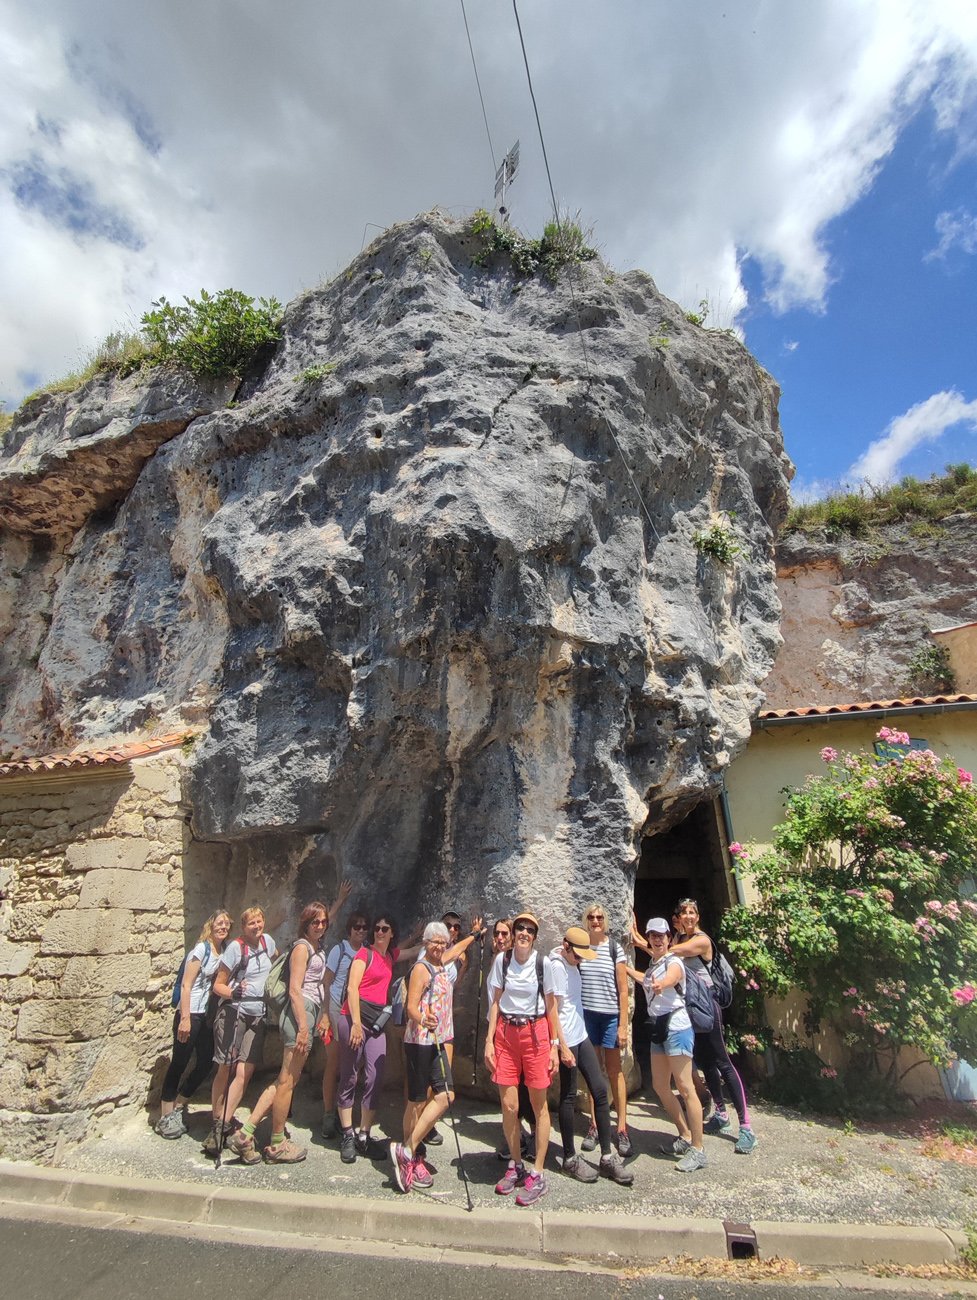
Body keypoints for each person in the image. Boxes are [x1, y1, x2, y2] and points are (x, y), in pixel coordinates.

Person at [227, 902, 332, 1164]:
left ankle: (246, 1133)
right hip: (300, 1014)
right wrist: (304, 1028)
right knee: (287, 1082)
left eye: (323, 922)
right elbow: (295, 990)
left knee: (285, 1080)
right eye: (314, 922)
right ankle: (276, 1143)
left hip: (307, 1012)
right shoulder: (301, 948)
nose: (319, 926)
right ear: (305, 924)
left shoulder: (316, 947)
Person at [670, 897, 756, 1154]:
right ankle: (721, 1112)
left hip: (709, 1005)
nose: (688, 916)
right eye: (683, 912)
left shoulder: (701, 940)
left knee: (722, 1061)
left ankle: (747, 1128)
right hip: (693, 1006)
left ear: (697, 917)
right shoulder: (681, 939)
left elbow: (669, 953)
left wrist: (644, 941)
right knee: (705, 1061)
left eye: (691, 912)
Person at [485, 910, 560, 1207]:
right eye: (520, 928)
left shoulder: (544, 964)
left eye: (530, 930)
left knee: (539, 1105)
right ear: (513, 932)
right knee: (509, 1104)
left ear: (535, 936)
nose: (524, 933)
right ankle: (515, 1164)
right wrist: (488, 1041)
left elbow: (551, 1006)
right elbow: (495, 1002)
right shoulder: (502, 961)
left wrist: (555, 1045)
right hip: (506, 1033)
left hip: (536, 1033)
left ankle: (538, 1172)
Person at [550, 927, 634, 1185]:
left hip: (581, 1034)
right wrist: (560, 1045)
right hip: (566, 1039)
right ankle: (569, 1159)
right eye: (578, 954)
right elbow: (551, 1009)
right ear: (566, 946)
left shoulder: (572, 962)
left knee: (599, 1090)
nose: (582, 959)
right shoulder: (557, 967)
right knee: (568, 1095)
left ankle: (607, 1158)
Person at [628, 917, 706, 1172]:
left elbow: (671, 977)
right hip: (658, 1027)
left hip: (677, 1027)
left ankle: (698, 1149)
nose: (657, 939)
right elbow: (648, 978)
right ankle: (684, 1135)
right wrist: (626, 970)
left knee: (685, 1087)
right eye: (653, 935)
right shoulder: (653, 964)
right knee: (661, 1086)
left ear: (669, 938)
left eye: (661, 935)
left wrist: (662, 983)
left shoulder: (674, 962)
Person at [205, 907, 278, 1157]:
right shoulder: (236, 948)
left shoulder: (268, 942)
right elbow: (218, 985)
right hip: (234, 1011)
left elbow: (276, 966)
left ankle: (223, 1124)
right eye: (251, 924)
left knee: (244, 1070)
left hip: (258, 1012)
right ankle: (217, 1124)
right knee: (225, 1067)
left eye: (259, 922)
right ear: (243, 928)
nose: (256, 927)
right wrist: (233, 992)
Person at [391, 922, 456, 1191]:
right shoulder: (421, 968)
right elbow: (411, 1008)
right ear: (426, 944)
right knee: (416, 1102)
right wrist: (423, 1018)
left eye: (443, 942)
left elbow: (457, 947)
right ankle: (413, 1157)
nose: (439, 946)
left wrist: (475, 936)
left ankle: (406, 1150)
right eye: (435, 942)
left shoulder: (442, 966)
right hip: (420, 1041)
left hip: (439, 1041)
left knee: (446, 1095)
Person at [157, 909, 232, 1138]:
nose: (223, 927)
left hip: (205, 1015)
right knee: (179, 1063)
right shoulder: (201, 949)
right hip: (190, 1014)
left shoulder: (225, 950)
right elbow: (186, 985)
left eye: (227, 924)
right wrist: (185, 1018)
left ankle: (180, 1104)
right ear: (211, 925)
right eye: (220, 923)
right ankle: (165, 1116)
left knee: (206, 1063)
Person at [336, 914, 402, 1163]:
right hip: (353, 1018)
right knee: (350, 1075)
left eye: (385, 929)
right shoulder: (365, 954)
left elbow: (413, 950)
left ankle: (364, 1134)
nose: (380, 932)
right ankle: (347, 1134)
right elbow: (352, 988)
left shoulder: (390, 956)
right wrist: (354, 1024)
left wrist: (441, 939)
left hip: (376, 1024)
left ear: (392, 932)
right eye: (377, 928)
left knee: (375, 1076)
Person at [577, 903, 631, 1156]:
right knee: (592, 1072)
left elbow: (623, 989)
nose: (596, 921)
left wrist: (623, 1025)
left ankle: (621, 1128)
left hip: (610, 1017)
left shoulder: (614, 948)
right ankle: (596, 1125)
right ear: (586, 920)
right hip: (588, 1016)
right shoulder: (581, 946)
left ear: (605, 920)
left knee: (614, 1072)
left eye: (599, 917)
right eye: (591, 917)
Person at [320, 911, 371, 1138]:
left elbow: (393, 952)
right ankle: (329, 1114)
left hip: (355, 1013)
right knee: (333, 1064)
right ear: (349, 929)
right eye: (356, 927)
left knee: (352, 1064)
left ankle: (343, 1110)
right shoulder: (339, 950)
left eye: (364, 927)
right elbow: (327, 982)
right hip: (334, 1010)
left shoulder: (368, 952)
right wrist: (324, 1014)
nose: (360, 930)